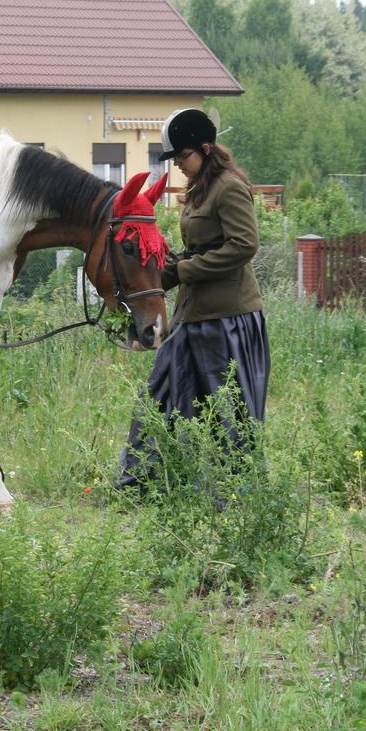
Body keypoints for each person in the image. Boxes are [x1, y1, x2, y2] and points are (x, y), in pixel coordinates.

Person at [116, 107, 270, 491]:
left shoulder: (229, 186)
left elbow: (243, 246)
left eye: (182, 156)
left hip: (228, 318)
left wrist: (182, 272)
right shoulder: (200, 188)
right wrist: (158, 276)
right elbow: (199, 249)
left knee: (228, 410)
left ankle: (235, 494)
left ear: (204, 148)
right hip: (193, 313)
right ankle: (142, 485)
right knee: (159, 392)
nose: (179, 165)